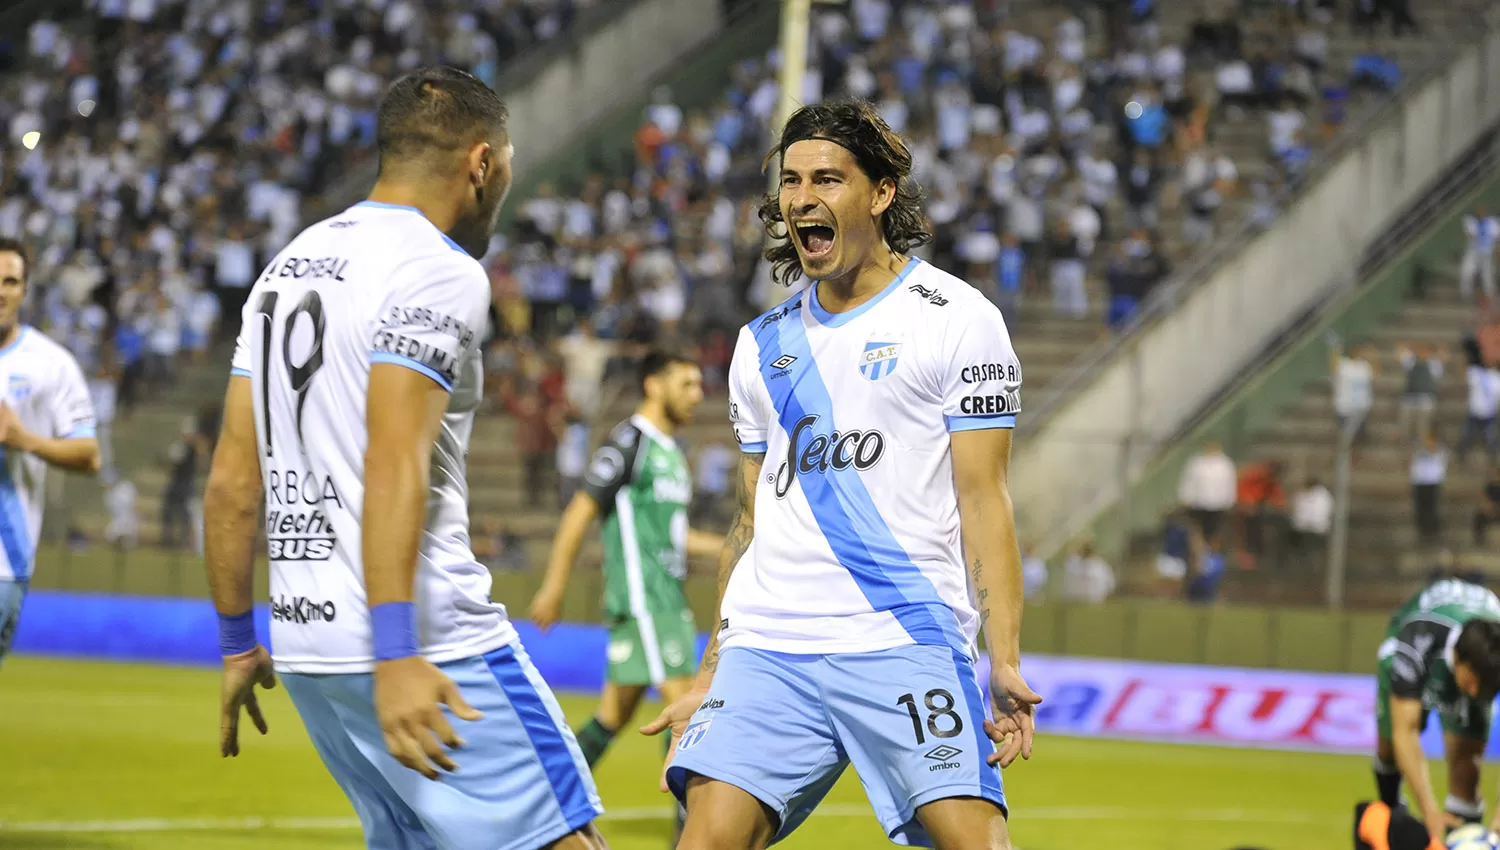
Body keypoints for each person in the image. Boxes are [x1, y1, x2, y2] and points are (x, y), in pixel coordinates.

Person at [202, 67, 605, 850]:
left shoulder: (286, 268)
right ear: (481, 164)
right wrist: (397, 653)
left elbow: (231, 483)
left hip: (311, 651)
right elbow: (394, 460)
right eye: (510, 165)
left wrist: (236, 644)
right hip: (425, 643)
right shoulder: (439, 268)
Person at [642, 101, 1039, 850]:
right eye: (791, 181)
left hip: (903, 639)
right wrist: (710, 673)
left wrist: (1006, 654)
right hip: (771, 648)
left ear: (881, 193)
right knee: (705, 841)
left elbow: (985, 499)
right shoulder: (760, 345)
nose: (802, 198)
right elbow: (749, 522)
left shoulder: (957, 319)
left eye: (828, 177)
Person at [528, 352, 723, 799]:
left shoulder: (672, 451)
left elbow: (675, 534)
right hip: (645, 599)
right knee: (687, 715)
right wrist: (554, 586)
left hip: (663, 595)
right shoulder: (629, 443)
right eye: (686, 384)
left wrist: (735, 543)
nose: (697, 395)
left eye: (699, 386)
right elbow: (580, 512)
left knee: (611, 717)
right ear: (654, 385)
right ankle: (691, 835)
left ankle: (543, 801)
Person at [0, 237, 102, 665]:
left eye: (10, 281)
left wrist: (26, 441)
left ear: (24, 290)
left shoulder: (49, 363)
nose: (1, 291)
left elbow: (89, 454)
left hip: (3, 561)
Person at [1373, 576, 1500, 845]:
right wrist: (1428, 810)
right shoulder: (1418, 639)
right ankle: (1390, 812)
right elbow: (1405, 733)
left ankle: (1463, 840)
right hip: (1409, 638)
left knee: (1468, 767)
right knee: (1389, 748)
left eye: (1485, 689)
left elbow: (1479, 686)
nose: (1477, 694)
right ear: (1459, 659)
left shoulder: (1490, 663)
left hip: (1470, 653)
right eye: (1473, 684)